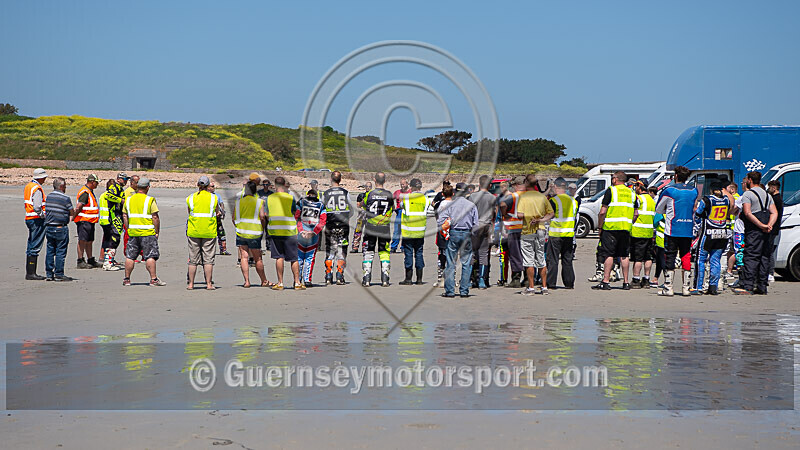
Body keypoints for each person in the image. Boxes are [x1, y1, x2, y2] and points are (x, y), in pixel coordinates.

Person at [655, 165, 698, 296]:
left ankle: (668, 287)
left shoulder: (669, 190)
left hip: (672, 228)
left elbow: (658, 209)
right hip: (688, 228)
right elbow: (694, 207)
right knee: (686, 255)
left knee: (670, 255)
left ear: (676, 176)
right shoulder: (694, 191)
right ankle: (686, 288)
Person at [734, 171, 778, 295]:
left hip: (754, 230)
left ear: (749, 180)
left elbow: (747, 213)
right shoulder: (767, 195)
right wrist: (769, 224)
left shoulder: (748, 194)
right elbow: (774, 212)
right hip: (767, 230)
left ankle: (748, 285)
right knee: (764, 256)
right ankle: (762, 285)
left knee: (751, 256)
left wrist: (760, 225)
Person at [592, 171, 638, 290]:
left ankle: (606, 281)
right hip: (625, 228)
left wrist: (600, 227)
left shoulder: (611, 190)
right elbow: (636, 213)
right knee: (624, 255)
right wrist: (629, 222)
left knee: (609, 254)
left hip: (611, 228)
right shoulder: (632, 193)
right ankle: (626, 282)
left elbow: (603, 211)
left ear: (615, 180)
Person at [437, 183, 478, 297]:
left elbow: (441, 221)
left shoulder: (451, 205)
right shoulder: (471, 205)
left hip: (454, 232)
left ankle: (450, 291)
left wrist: (446, 227)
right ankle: (464, 290)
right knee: (466, 263)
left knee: (451, 262)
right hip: (466, 233)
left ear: (455, 192)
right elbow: (475, 224)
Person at [122, 177, 165, 286]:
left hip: (133, 232)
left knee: (130, 256)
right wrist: (157, 231)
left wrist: (128, 228)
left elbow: (125, 215)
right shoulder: (149, 200)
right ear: (147, 187)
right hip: (147, 233)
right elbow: (155, 217)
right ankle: (153, 279)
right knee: (150, 256)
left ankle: (127, 279)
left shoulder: (129, 200)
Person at [692, 182, 732, 295]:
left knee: (700, 260)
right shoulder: (726, 200)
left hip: (708, 234)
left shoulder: (707, 200)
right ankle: (713, 286)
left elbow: (698, 214)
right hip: (722, 234)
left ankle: (698, 286)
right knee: (715, 261)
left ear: (711, 189)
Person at [517, 175, 554, 295]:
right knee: (541, 259)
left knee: (529, 261)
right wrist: (541, 219)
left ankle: (531, 287)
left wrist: (529, 217)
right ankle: (544, 287)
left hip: (528, 230)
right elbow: (551, 213)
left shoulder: (523, 197)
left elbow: (519, 215)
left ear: (526, 183)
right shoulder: (542, 197)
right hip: (541, 230)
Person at [232, 175, 271, 288]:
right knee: (257, 257)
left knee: (244, 257)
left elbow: (234, 218)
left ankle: (247, 281)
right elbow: (262, 217)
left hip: (241, 232)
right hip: (254, 232)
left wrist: (238, 227)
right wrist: (262, 228)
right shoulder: (259, 202)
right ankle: (263, 280)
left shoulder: (239, 202)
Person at [266, 176, 302, 290]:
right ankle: (297, 282)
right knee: (294, 258)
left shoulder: (269, 198)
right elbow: (294, 211)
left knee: (279, 257)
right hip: (289, 230)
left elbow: (266, 213)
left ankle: (280, 282)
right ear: (284, 185)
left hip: (275, 231)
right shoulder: (290, 198)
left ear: (275, 185)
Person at [186, 176, 220, 290]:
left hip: (194, 230)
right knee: (208, 259)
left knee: (193, 259)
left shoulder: (190, 198)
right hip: (209, 231)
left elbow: (189, 212)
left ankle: (191, 284)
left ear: (197, 185)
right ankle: (209, 284)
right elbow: (217, 212)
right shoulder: (213, 198)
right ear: (208, 186)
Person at [361, 173, 394, 287]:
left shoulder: (369, 194)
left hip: (370, 226)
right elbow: (392, 207)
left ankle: (366, 278)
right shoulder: (389, 194)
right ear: (385, 180)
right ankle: (385, 278)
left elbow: (363, 205)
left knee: (368, 251)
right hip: (384, 227)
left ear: (374, 180)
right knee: (384, 251)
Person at [321, 171, 352, 285]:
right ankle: (339, 275)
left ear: (331, 179)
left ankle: (328, 275)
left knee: (330, 249)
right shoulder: (345, 192)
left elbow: (321, 207)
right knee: (342, 249)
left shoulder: (326, 193)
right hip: (343, 224)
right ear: (340, 180)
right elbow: (351, 209)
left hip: (330, 224)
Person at [545, 178, 577, 290]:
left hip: (556, 234)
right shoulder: (573, 201)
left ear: (555, 187)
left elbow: (549, 214)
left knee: (553, 259)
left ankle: (551, 283)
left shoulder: (554, 200)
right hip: (568, 234)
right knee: (567, 259)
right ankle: (569, 283)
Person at [43, 177, 76, 281]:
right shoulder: (65, 198)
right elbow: (72, 212)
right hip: (60, 227)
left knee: (50, 250)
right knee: (60, 251)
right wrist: (68, 218)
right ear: (61, 187)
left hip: (49, 227)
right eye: (65, 186)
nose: (65, 188)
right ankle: (59, 273)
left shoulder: (49, 197)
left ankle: (49, 274)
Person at [399, 178, 429, 285]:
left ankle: (408, 279)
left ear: (411, 187)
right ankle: (419, 279)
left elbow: (401, 206)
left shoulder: (407, 197)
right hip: (420, 231)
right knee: (419, 253)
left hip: (408, 231)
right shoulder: (425, 198)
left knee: (408, 254)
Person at [469, 175, 497, 289]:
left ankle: (470, 279)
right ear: (490, 185)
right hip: (487, 225)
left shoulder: (472, 196)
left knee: (472, 253)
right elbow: (494, 213)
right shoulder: (492, 198)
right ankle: (482, 279)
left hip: (475, 225)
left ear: (479, 184)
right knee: (484, 253)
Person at [297, 189, 327, 287]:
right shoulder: (321, 205)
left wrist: (301, 231)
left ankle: (298, 280)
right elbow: (323, 221)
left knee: (299, 258)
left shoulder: (301, 202)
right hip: (313, 235)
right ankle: (307, 280)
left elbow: (296, 217)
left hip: (301, 234)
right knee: (310, 258)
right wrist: (314, 232)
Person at [499, 177, 525, 288]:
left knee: (515, 254)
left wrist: (505, 215)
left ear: (516, 185)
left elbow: (502, 205)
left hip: (514, 227)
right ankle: (528, 279)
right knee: (526, 253)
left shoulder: (514, 196)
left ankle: (516, 279)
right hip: (527, 228)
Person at [629, 180, 655, 288]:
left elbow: (633, 214)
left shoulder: (638, 198)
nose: (635, 188)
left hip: (638, 232)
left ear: (640, 186)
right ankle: (646, 280)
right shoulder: (652, 200)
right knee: (648, 257)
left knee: (638, 258)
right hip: (649, 232)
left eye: (636, 186)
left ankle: (636, 279)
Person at [24, 168, 48, 280]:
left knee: (31, 244)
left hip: (29, 217)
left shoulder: (29, 186)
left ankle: (30, 272)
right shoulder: (37, 188)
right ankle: (31, 273)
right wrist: (42, 215)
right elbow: (37, 206)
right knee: (35, 245)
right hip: (36, 218)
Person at [74, 174, 102, 269]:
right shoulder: (85, 192)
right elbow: (79, 206)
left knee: (89, 241)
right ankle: (80, 260)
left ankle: (90, 259)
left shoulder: (89, 191)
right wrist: (73, 216)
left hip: (90, 221)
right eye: (96, 182)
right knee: (82, 240)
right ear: (91, 182)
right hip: (84, 221)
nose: (97, 184)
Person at [98, 179, 124, 271]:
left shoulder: (103, 195)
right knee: (113, 241)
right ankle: (108, 263)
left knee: (107, 240)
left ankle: (107, 260)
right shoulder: (108, 195)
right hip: (108, 221)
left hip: (103, 220)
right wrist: (120, 200)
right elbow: (112, 209)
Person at [432, 180, 452, 287]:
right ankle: (451, 278)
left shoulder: (439, 204)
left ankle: (441, 279)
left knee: (441, 255)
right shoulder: (455, 204)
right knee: (451, 255)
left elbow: (436, 216)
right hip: (452, 231)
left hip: (442, 231)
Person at [766, 180, 784, 281]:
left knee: (770, 251)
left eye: (770, 187)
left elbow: (775, 214)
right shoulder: (777, 198)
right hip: (774, 227)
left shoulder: (776, 199)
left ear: (774, 187)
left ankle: (770, 273)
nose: (768, 189)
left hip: (773, 228)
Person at [208, 183, 230, 255]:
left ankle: (223, 249)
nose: (214, 187)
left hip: (218, 218)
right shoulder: (206, 196)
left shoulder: (217, 195)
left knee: (221, 233)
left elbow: (221, 204)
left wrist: (222, 211)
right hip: (209, 219)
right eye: (212, 186)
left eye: (214, 186)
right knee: (210, 235)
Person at [351, 181, 372, 253]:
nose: (368, 188)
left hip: (369, 216)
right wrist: (363, 202)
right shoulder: (361, 195)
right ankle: (355, 246)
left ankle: (365, 247)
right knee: (358, 231)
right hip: (361, 216)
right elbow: (358, 205)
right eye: (367, 186)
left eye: (369, 186)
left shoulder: (372, 196)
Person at [391, 179, 410, 252]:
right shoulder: (397, 192)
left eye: (403, 184)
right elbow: (391, 199)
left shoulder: (410, 192)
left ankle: (404, 246)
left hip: (407, 212)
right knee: (396, 231)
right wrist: (393, 207)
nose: (402, 186)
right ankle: (394, 246)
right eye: (401, 184)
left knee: (405, 230)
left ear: (407, 184)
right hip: (399, 211)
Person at [122, 175, 139, 257]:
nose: (138, 184)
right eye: (137, 182)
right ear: (132, 183)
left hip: (136, 219)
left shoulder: (136, 191)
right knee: (128, 238)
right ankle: (129, 254)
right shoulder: (129, 191)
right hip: (129, 219)